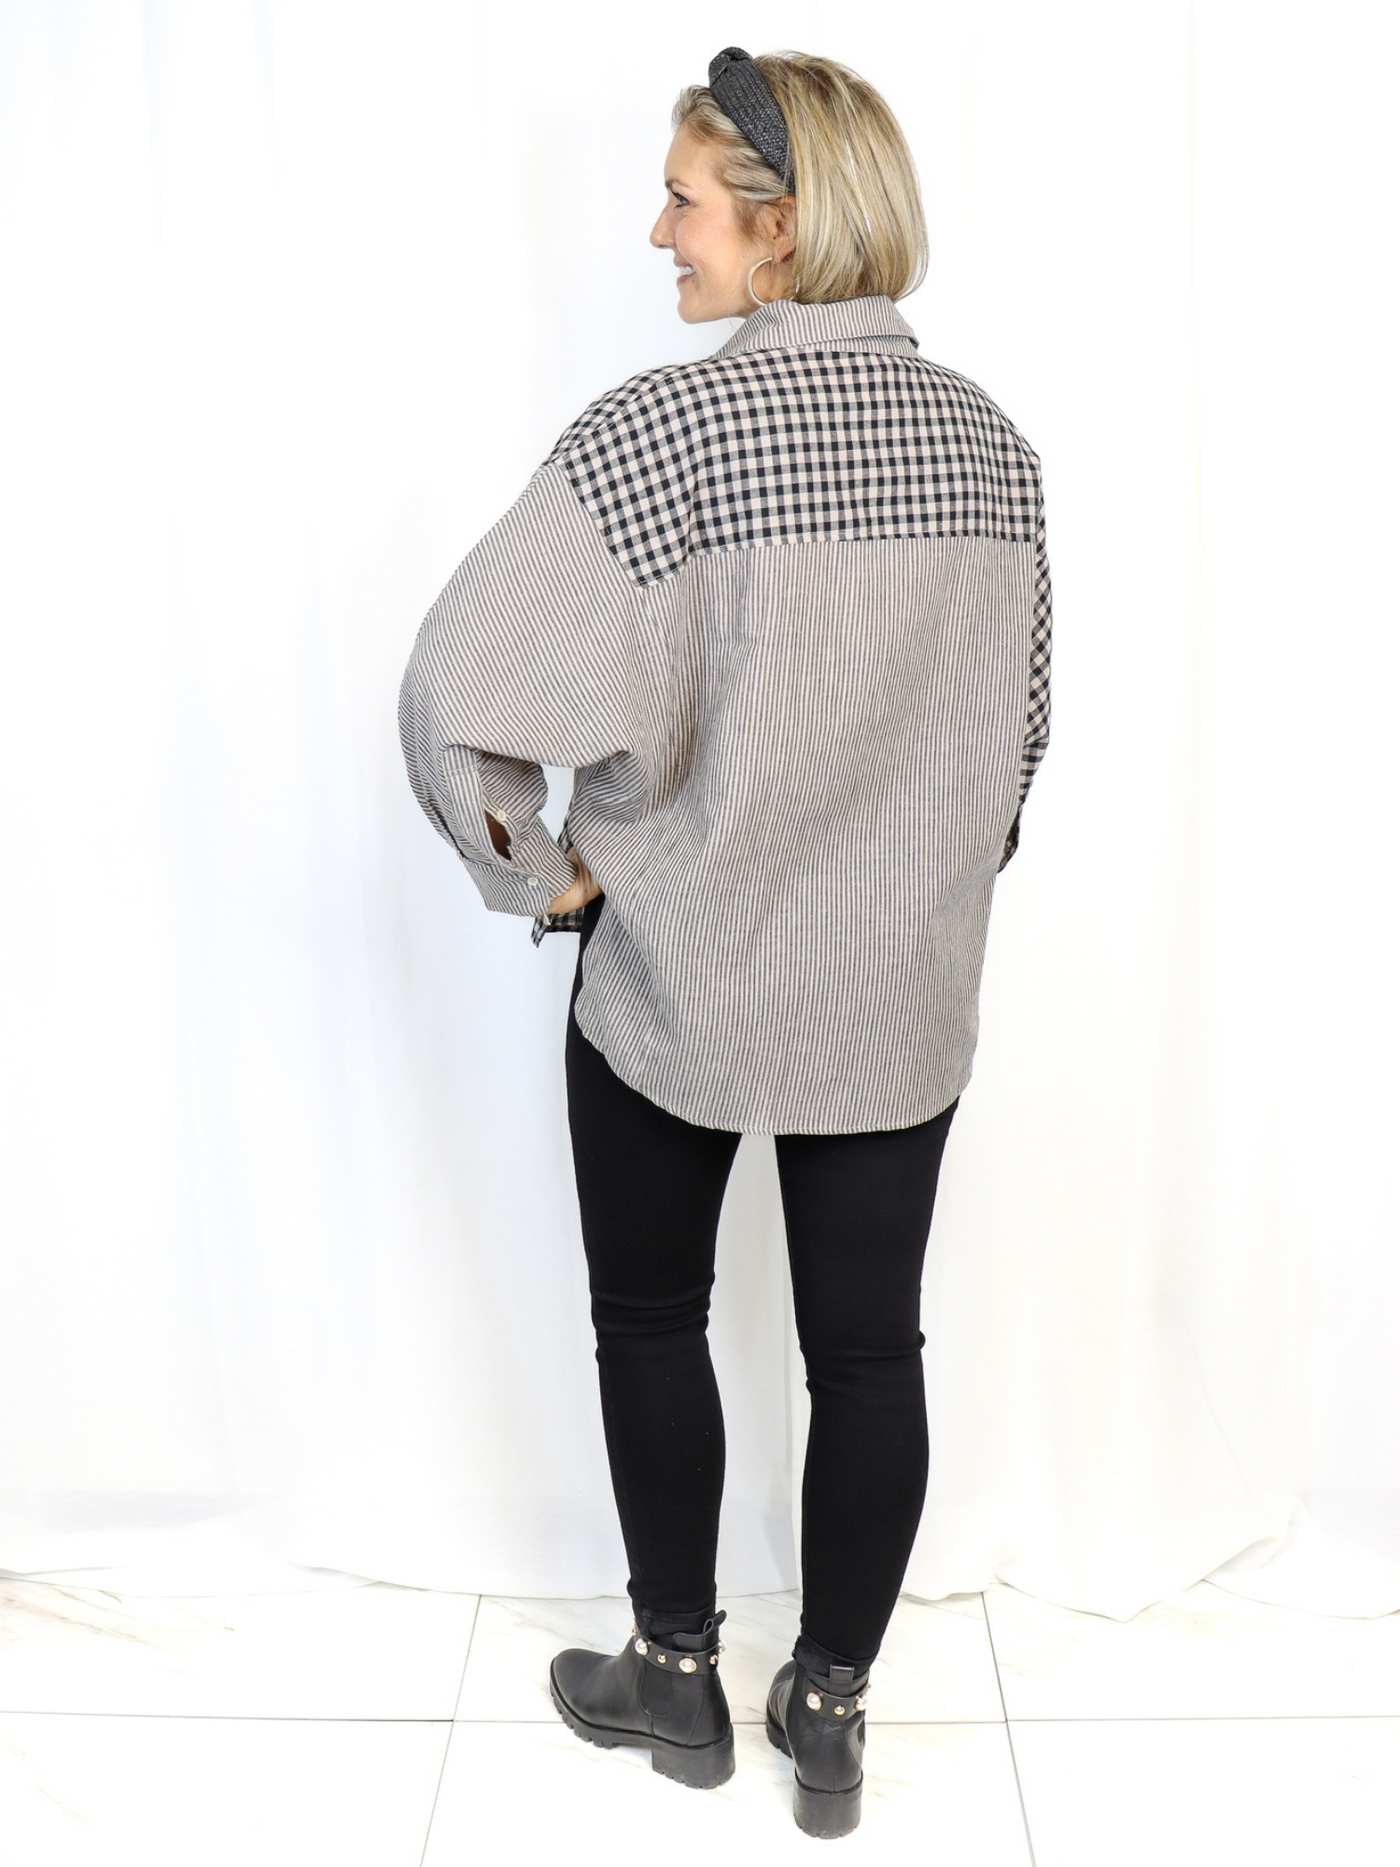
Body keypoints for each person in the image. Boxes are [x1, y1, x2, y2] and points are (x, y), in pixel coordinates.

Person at [398, 45, 1051, 1841]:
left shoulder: (661, 436)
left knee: (649, 1317)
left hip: (672, 979)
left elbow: (455, 684)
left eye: (683, 201)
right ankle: (829, 1717)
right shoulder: (995, 452)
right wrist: (920, 890)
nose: (658, 234)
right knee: (872, 1353)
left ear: (780, 226)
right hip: (893, 992)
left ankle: (674, 1676)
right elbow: (1019, 736)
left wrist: (546, 876)